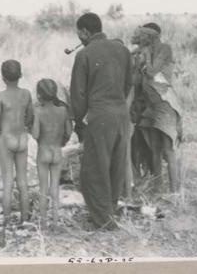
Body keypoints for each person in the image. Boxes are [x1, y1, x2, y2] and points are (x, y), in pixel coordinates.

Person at [70, 12, 132, 230]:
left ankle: (102, 220)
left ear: (86, 32)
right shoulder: (123, 50)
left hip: (99, 116)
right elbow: (128, 85)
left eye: (80, 34)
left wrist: (78, 122)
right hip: (121, 114)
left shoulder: (84, 54)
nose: (79, 39)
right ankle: (110, 212)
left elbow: (78, 95)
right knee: (116, 165)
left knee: (94, 169)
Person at [130, 23, 182, 193]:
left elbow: (152, 72)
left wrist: (144, 54)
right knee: (154, 150)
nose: (139, 38)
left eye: (142, 35)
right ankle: (158, 189)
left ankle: (174, 192)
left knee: (168, 150)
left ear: (151, 36)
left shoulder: (165, 49)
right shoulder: (144, 51)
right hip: (151, 106)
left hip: (164, 104)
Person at [0, 60, 34, 224]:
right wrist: (26, 126)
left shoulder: (0, 96)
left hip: (7, 139)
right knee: (22, 181)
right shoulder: (26, 94)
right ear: (21, 75)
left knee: (8, 181)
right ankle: (25, 217)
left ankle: (8, 218)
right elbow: (30, 116)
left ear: (3, 77)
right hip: (22, 138)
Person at [32, 78, 72, 228]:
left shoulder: (38, 111)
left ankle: (43, 223)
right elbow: (68, 130)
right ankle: (55, 221)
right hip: (57, 151)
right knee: (55, 187)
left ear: (39, 95)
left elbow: (35, 134)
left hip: (43, 152)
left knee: (43, 188)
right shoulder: (63, 110)